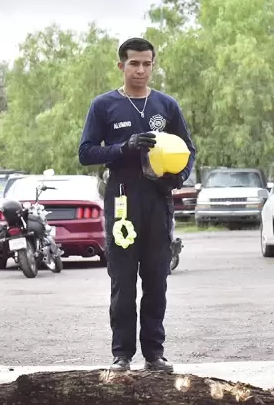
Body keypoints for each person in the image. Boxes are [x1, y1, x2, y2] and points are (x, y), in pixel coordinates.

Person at [78, 37, 196, 373]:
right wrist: (123, 147)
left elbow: (189, 150)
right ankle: (122, 354)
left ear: (153, 64)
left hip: (158, 199)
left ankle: (154, 352)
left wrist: (177, 179)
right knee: (124, 279)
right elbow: (86, 152)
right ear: (121, 65)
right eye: (134, 63)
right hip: (122, 198)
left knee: (157, 278)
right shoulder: (104, 105)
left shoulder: (166, 106)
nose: (140, 70)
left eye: (146, 63)